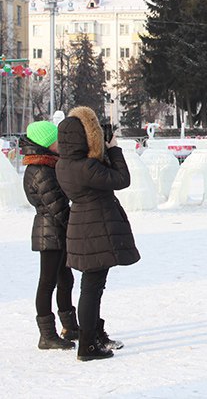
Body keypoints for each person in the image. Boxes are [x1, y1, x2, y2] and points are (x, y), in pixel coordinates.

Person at [55, 107, 140, 361]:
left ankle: (92, 337)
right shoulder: (87, 167)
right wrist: (113, 149)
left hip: (82, 227)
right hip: (96, 228)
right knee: (92, 288)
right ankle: (88, 346)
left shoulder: (64, 165)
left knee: (91, 287)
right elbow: (122, 179)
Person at [21, 120, 77, 350]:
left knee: (66, 279)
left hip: (56, 231)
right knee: (48, 282)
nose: (60, 143)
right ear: (46, 143)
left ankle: (70, 326)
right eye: (56, 140)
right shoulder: (40, 170)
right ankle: (47, 335)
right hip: (49, 232)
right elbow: (57, 206)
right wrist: (76, 224)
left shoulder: (50, 166)